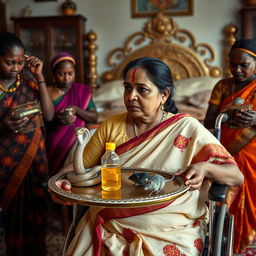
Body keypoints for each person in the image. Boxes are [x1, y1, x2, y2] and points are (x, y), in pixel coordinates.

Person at [53, 57, 243, 256]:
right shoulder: (111, 125)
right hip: (110, 223)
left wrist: (206, 168)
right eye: (127, 88)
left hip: (172, 229)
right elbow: (77, 168)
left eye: (142, 89)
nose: (131, 96)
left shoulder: (187, 127)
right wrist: (63, 180)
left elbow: (236, 175)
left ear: (164, 95)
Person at [0, 32, 54, 255]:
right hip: (6, 160)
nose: (15, 67)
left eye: (20, 62)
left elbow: (49, 116)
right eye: (9, 62)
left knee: (37, 208)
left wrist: (40, 76)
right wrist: (4, 126)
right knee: (13, 212)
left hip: (34, 157)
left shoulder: (30, 80)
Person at [204, 38, 256, 254]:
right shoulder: (223, 86)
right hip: (226, 151)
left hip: (252, 152)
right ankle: (225, 241)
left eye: (244, 65)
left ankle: (247, 240)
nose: (237, 70)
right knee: (224, 201)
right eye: (233, 64)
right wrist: (227, 116)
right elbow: (208, 122)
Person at [46, 52, 98, 176]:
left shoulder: (82, 90)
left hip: (77, 141)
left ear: (74, 73)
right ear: (54, 74)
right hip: (53, 139)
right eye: (62, 74)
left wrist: (77, 110)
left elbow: (95, 117)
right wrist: (59, 119)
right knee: (51, 175)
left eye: (70, 73)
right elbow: (45, 120)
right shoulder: (47, 92)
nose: (66, 78)